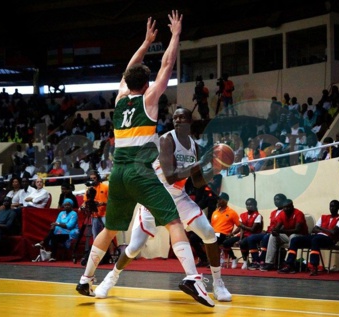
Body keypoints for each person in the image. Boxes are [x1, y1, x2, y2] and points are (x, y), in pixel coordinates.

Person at [75, 11, 214, 307]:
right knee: (174, 221)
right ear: (147, 83)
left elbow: (129, 70)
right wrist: (174, 34)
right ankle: (193, 278)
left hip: (118, 173)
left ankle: (85, 280)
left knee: (111, 229)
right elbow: (167, 63)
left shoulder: (119, 97)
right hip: (139, 172)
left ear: (127, 81)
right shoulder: (149, 100)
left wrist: (145, 42)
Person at [95, 107, 231, 302]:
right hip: (155, 195)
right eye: (175, 118)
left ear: (190, 120)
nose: (177, 120)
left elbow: (198, 181)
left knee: (209, 233)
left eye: (182, 117)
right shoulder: (167, 140)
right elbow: (169, 177)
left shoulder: (194, 145)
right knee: (134, 247)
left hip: (178, 196)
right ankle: (110, 278)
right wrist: (200, 163)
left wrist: (215, 170)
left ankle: (218, 284)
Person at [278, 200, 339, 276]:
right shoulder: (323, 217)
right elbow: (314, 229)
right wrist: (326, 230)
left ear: (338, 208)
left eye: (334, 206)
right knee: (295, 240)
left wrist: (321, 228)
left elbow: (334, 232)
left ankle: (314, 266)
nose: (332, 208)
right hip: (316, 236)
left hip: (329, 239)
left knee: (315, 240)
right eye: (331, 206)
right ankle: (290, 264)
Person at [259, 199, 308, 271]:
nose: (286, 209)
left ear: (292, 206)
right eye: (285, 207)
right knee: (273, 236)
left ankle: (289, 263)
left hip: (301, 237)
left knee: (293, 236)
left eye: (288, 207)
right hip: (288, 236)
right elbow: (277, 227)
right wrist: (274, 231)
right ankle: (269, 263)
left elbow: (297, 230)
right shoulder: (282, 214)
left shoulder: (298, 213)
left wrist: (281, 231)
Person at [222, 197, 263, 269]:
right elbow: (241, 228)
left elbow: (252, 229)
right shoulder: (243, 215)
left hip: (252, 236)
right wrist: (234, 234)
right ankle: (234, 258)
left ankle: (245, 261)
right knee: (226, 243)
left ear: (255, 205)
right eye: (247, 205)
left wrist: (242, 227)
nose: (249, 206)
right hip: (242, 235)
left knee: (242, 243)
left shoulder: (258, 215)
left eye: (251, 205)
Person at [79, 170, 109, 266]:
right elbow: (85, 201)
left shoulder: (105, 187)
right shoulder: (89, 189)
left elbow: (111, 201)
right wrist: (82, 206)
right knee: (96, 237)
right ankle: (97, 257)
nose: (93, 180)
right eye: (91, 179)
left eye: (94, 178)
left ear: (98, 178)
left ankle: (108, 255)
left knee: (107, 235)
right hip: (94, 215)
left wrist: (103, 203)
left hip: (104, 214)